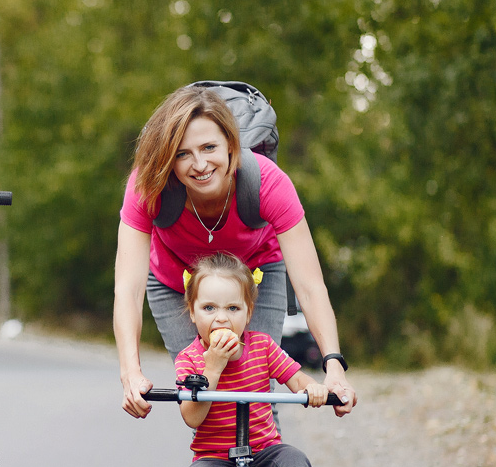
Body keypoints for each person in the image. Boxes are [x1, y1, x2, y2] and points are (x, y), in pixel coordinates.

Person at [113, 85, 357, 420]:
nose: (199, 165)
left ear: (231, 144)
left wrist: (334, 366)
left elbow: (311, 287)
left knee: (255, 395)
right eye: (182, 154)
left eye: (209, 147)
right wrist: (131, 373)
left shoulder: (268, 182)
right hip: (176, 283)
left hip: (256, 275)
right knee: (203, 392)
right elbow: (128, 287)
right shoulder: (149, 184)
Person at [167, 253, 335, 467]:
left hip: (262, 450)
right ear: (192, 313)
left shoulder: (263, 347)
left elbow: (295, 378)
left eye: (233, 308)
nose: (221, 318)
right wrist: (212, 368)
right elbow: (192, 415)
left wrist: (312, 388)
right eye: (209, 308)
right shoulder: (189, 359)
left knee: (295, 460)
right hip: (213, 456)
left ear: (249, 312)